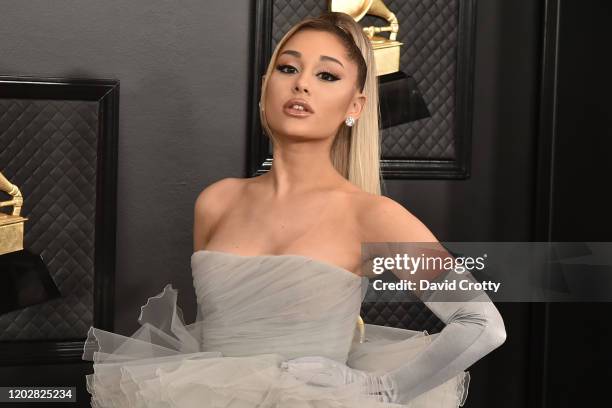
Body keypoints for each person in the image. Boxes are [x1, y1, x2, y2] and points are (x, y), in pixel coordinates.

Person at [82, 11, 506, 407]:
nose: (302, 84)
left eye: (326, 75)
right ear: (266, 85)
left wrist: (382, 388)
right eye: (288, 68)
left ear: (354, 107)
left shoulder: (370, 215)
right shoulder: (217, 201)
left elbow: (481, 323)